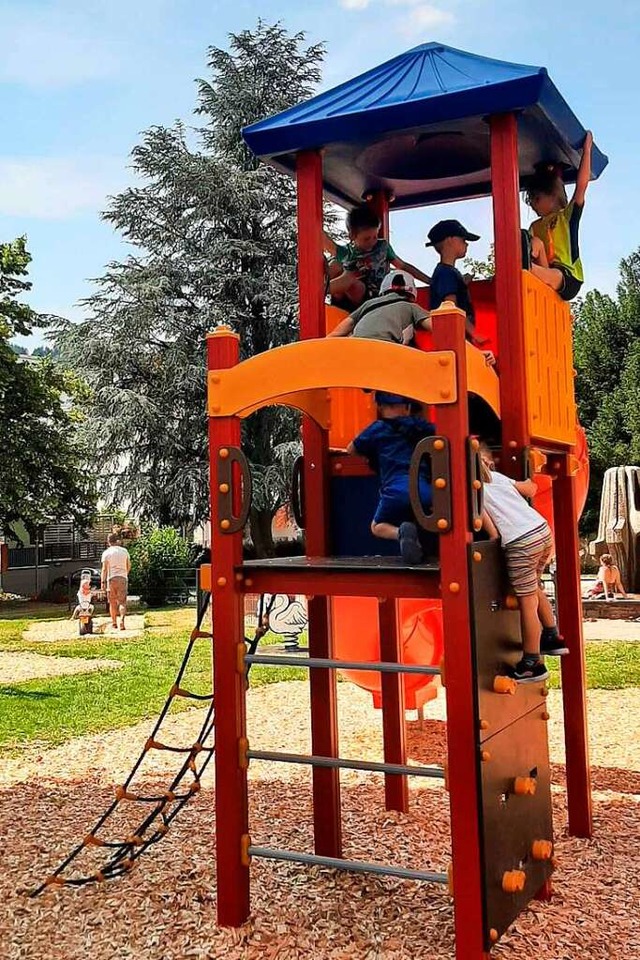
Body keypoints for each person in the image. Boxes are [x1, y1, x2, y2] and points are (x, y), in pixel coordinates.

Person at [479, 443, 568, 683]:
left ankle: (531, 662)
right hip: (541, 530)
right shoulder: (496, 478)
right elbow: (530, 489)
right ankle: (552, 636)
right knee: (534, 586)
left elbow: (493, 532)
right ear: (487, 463)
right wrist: (529, 475)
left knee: (526, 602)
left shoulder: (473, 491)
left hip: (521, 542)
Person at [347, 392, 436, 564]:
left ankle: (401, 533)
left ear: (380, 407)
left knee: (377, 526)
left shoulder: (377, 429)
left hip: (394, 493)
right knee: (435, 517)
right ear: (407, 407)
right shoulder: (421, 427)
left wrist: (371, 456)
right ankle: (431, 545)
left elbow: (351, 449)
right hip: (425, 492)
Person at [525, 131, 593, 301]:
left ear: (553, 195)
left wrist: (587, 150)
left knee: (551, 273)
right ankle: (527, 267)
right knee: (533, 242)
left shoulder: (566, 216)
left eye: (537, 199)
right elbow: (534, 246)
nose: (533, 204)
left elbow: (581, 186)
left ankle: (527, 269)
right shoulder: (535, 226)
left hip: (568, 276)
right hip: (546, 267)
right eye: (531, 201)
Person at [324, 205, 431, 309]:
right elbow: (323, 240)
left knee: (352, 281)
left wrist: (428, 280)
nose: (372, 242)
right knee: (334, 265)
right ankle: (319, 292)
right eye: (366, 239)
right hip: (346, 299)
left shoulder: (382, 248)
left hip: (372, 296)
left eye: (375, 236)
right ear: (352, 236)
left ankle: (319, 291)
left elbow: (403, 266)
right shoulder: (347, 252)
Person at [425, 219, 495, 366]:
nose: (466, 244)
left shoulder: (446, 273)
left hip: (454, 341)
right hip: (454, 342)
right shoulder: (446, 273)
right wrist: (474, 332)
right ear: (450, 240)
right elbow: (452, 309)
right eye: (463, 239)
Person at [327, 270, 432, 342]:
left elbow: (341, 329)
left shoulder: (368, 304)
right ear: (412, 293)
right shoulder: (411, 307)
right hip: (387, 347)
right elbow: (434, 325)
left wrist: (325, 342)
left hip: (356, 345)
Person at [101, 533, 131, 631]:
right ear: (117, 540)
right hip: (122, 577)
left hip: (111, 578)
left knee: (112, 602)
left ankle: (114, 623)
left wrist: (103, 582)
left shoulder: (106, 553)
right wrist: (125, 573)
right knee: (122, 601)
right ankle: (122, 620)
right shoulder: (124, 551)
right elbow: (128, 565)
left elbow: (104, 569)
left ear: (108, 542)